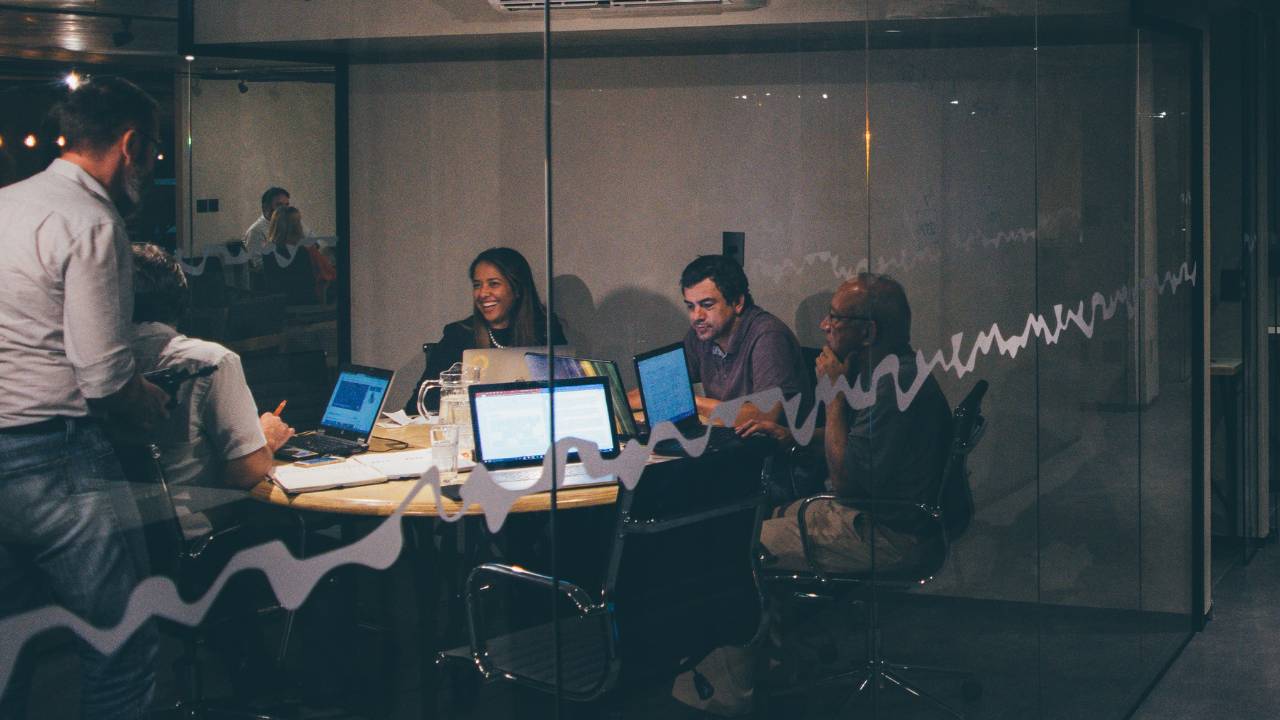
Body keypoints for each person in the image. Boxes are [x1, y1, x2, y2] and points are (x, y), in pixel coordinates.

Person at [0, 77, 170, 720]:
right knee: (122, 640)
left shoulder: (6, 203)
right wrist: (145, 398)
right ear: (130, 145)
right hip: (56, 458)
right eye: (151, 153)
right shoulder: (91, 221)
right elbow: (101, 375)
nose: (151, 169)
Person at [758, 273, 952, 573]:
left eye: (835, 317)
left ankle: (779, 618)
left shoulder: (893, 384)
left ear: (868, 332)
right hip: (878, 515)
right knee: (766, 514)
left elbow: (846, 483)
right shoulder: (892, 371)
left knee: (747, 541)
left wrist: (834, 395)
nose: (824, 325)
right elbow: (856, 444)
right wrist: (791, 437)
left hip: (890, 534)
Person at [130, 243, 297, 536]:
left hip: (116, 540)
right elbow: (245, 471)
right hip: (196, 533)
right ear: (180, 297)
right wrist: (266, 438)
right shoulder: (208, 362)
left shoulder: (82, 365)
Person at [631, 254, 808, 428]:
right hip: (728, 441)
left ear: (737, 302)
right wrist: (617, 402)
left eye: (707, 305)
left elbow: (767, 415)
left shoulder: (768, 336)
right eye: (691, 306)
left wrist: (694, 403)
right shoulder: (702, 333)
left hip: (767, 451)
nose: (696, 317)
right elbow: (659, 391)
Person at [405, 247, 565, 414]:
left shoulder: (546, 330)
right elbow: (416, 407)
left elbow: (565, 398)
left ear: (517, 289)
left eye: (493, 284)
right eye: (477, 285)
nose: (482, 293)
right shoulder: (459, 335)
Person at [264, 204, 320, 305]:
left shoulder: (268, 251)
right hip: (303, 302)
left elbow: (272, 285)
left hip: (279, 303)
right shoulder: (302, 251)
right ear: (296, 226)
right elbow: (309, 282)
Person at [242, 186, 290, 264]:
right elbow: (257, 265)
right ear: (265, 207)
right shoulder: (255, 231)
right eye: (279, 205)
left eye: (287, 205)